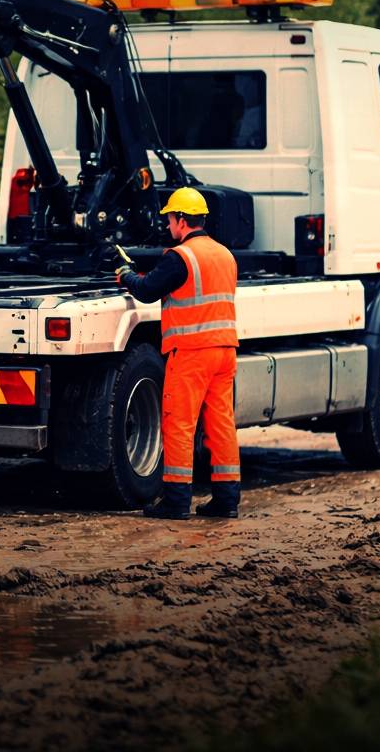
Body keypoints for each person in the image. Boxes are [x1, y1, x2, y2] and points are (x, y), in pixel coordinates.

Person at [114, 188, 241, 520]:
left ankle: (176, 501)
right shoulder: (225, 255)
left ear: (182, 220)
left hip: (192, 352)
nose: (168, 225)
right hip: (225, 350)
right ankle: (227, 500)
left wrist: (126, 276)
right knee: (221, 424)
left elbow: (147, 290)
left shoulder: (180, 257)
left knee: (179, 424)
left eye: (170, 218)